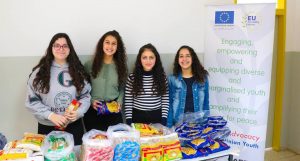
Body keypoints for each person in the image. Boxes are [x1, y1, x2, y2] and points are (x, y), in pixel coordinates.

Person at [25, 33, 91, 145]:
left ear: (70, 49)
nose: (61, 49)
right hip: (47, 126)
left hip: (73, 126)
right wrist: (50, 115)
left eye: (65, 46)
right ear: (51, 48)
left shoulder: (78, 71)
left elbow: (85, 96)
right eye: (57, 45)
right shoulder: (39, 73)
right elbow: (31, 101)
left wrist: (79, 112)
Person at [83, 30, 128, 131]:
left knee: (115, 144)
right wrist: (91, 101)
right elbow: (82, 89)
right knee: (96, 144)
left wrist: (119, 102)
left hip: (113, 111)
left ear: (117, 47)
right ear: (102, 44)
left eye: (114, 44)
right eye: (107, 42)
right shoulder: (89, 65)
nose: (110, 46)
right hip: (93, 111)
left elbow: (121, 88)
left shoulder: (121, 67)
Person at [124, 43, 169, 126]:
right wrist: (129, 122)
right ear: (140, 60)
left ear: (156, 59)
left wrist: (163, 121)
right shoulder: (132, 78)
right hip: (137, 118)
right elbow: (128, 102)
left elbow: (165, 100)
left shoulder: (162, 77)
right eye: (144, 57)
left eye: (151, 57)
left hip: (157, 118)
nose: (148, 61)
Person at [167, 45, 209, 127]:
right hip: (178, 124)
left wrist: (205, 125)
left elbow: (206, 103)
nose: (184, 59)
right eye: (181, 56)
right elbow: (169, 105)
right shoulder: (172, 79)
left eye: (188, 56)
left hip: (198, 124)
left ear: (192, 58)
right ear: (178, 60)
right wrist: (168, 126)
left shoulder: (203, 78)